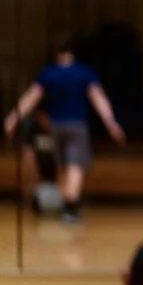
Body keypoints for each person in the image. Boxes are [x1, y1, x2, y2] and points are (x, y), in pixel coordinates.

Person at [3, 35, 126, 223]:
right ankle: (71, 205)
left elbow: (31, 97)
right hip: (77, 125)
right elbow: (98, 98)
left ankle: (64, 203)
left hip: (55, 126)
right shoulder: (85, 72)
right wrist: (111, 122)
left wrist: (13, 118)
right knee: (75, 165)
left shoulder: (49, 73)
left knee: (61, 165)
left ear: (55, 52)